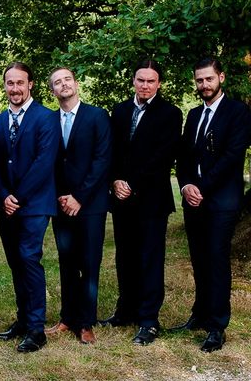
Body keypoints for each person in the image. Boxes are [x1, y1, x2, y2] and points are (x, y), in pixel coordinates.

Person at [102, 60, 182, 346]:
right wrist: (115, 180)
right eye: (140, 80)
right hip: (121, 198)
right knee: (125, 257)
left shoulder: (171, 114)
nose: (145, 85)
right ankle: (125, 311)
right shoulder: (120, 111)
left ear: (158, 83)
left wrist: (132, 183)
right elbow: (111, 151)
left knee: (150, 259)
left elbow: (162, 158)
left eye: (151, 81)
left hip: (152, 200)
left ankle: (149, 320)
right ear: (133, 81)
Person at [175, 57, 251, 352]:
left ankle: (217, 326)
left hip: (222, 201)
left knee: (217, 260)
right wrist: (185, 185)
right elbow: (183, 157)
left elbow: (232, 157)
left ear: (222, 78)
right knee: (198, 259)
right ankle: (200, 313)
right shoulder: (193, 114)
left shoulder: (238, 112)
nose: (203, 85)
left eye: (209, 79)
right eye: (199, 80)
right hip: (194, 201)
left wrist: (201, 187)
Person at [0, 62, 60, 353]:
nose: (15, 88)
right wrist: (3, 195)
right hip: (7, 206)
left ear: (30, 84)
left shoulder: (46, 118)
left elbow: (44, 162)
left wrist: (17, 196)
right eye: (10, 83)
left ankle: (36, 328)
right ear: (4, 85)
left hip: (34, 204)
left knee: (29, 259)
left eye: (20, 83)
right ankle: (21, 320)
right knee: (15, 263)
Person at [47, 67, 111, 344]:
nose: (63, 85)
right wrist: (61, 197)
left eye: (67, 79)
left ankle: (86, 322)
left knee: (89, 262)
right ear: (52, 90)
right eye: (57, 82)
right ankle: (67, 317)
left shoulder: (97, 116)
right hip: (60, 204)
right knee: (66, 262)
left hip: (90, 204)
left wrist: (79, 197)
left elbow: (102, 160)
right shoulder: (48, 120)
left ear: (76, 83)